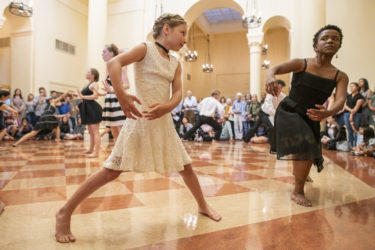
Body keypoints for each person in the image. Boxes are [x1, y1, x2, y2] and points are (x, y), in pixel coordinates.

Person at [55, 13, 221, 244]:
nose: (185, 39)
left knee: (186, 167)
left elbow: (178, 94)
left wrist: (167, 107)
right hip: (140, 119)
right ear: (166, 29)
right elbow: (114, 63)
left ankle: (203, 205)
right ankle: (65, 211)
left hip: (162, 122)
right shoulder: (145, 49)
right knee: (111, 171)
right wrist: (122, 96)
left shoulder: (175, 63)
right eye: (182, 33)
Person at [266, 25, 349, 207]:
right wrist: (270, 76)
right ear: (316, 45)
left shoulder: (340, 76)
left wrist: (327, 113)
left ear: (339, 46)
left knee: (306, 149)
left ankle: (301, 173)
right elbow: (274, 68)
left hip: (313, 115)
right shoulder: (301, 63)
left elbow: (340, 100)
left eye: (335, 39)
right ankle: (297, 191)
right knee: (306, 147)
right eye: (325, 38)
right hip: (290, 110)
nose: (330, 41)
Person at [101, 44, 128, 142]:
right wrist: (101, 93)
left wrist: (112, 90)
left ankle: (124, 156)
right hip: (110, 101)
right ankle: (117, 155)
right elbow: (110, 88)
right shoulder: (108, 68)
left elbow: (126, 85)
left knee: (121, 131)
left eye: (104, 52)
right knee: (113, 132)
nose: (102, 54)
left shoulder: (121, 67)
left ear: (112, 53)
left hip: (117, 101)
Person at [77, 68, 102, 158]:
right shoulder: (87, 84)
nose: (86, 73)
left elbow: (95, 96)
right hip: (87, 108)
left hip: (93, 109)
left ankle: (96, 153)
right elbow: (84, 97)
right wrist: (78, 97)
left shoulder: (94, 84)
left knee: (95, 132)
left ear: (93, 75)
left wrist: (82, 96)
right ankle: (91, 149)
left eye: (88, 72)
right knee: (91, 132)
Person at [343, 82, 364, 147]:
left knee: (355, 130)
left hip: (356, 114)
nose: (351, 88)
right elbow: (344, 105)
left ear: (357, 87)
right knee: (349, 130)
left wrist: (352, 113)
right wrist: (350, 110)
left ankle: (356, 146)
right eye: (350, 86)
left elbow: (357, 107)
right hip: (346, 113)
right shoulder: (348, 96)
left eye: (353, 86)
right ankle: (350, 146)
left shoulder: (360, 96)